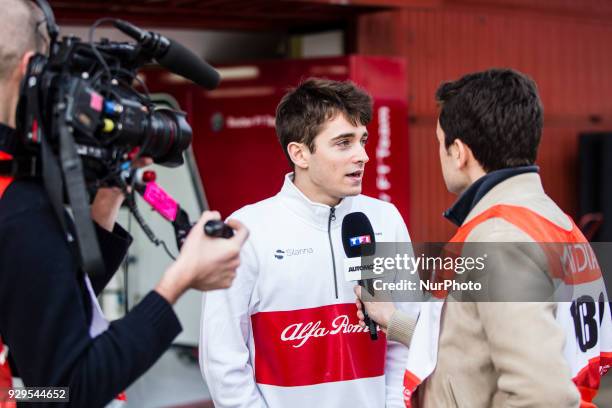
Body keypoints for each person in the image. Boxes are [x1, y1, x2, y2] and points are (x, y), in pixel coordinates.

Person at [0, 1, 248, 406]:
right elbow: (66, 390)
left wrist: (102, 208)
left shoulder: (16, 195)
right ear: (31, 67)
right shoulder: (22, 207)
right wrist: (179, 281)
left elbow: (42, 315)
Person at [356, 68, 612, 407]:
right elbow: (482, 348)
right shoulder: (550, 219)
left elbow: (543, 393)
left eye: (439, 143)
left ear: (459, 152)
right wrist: (394, 322)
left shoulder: (499, 240)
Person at [199, 78, 419, 407]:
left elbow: (404, 340)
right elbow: (223, 360)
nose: (362, 156)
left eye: (363, 140)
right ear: (300, 153)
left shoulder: (386, 219)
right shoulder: (247, 229)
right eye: (344, 143)